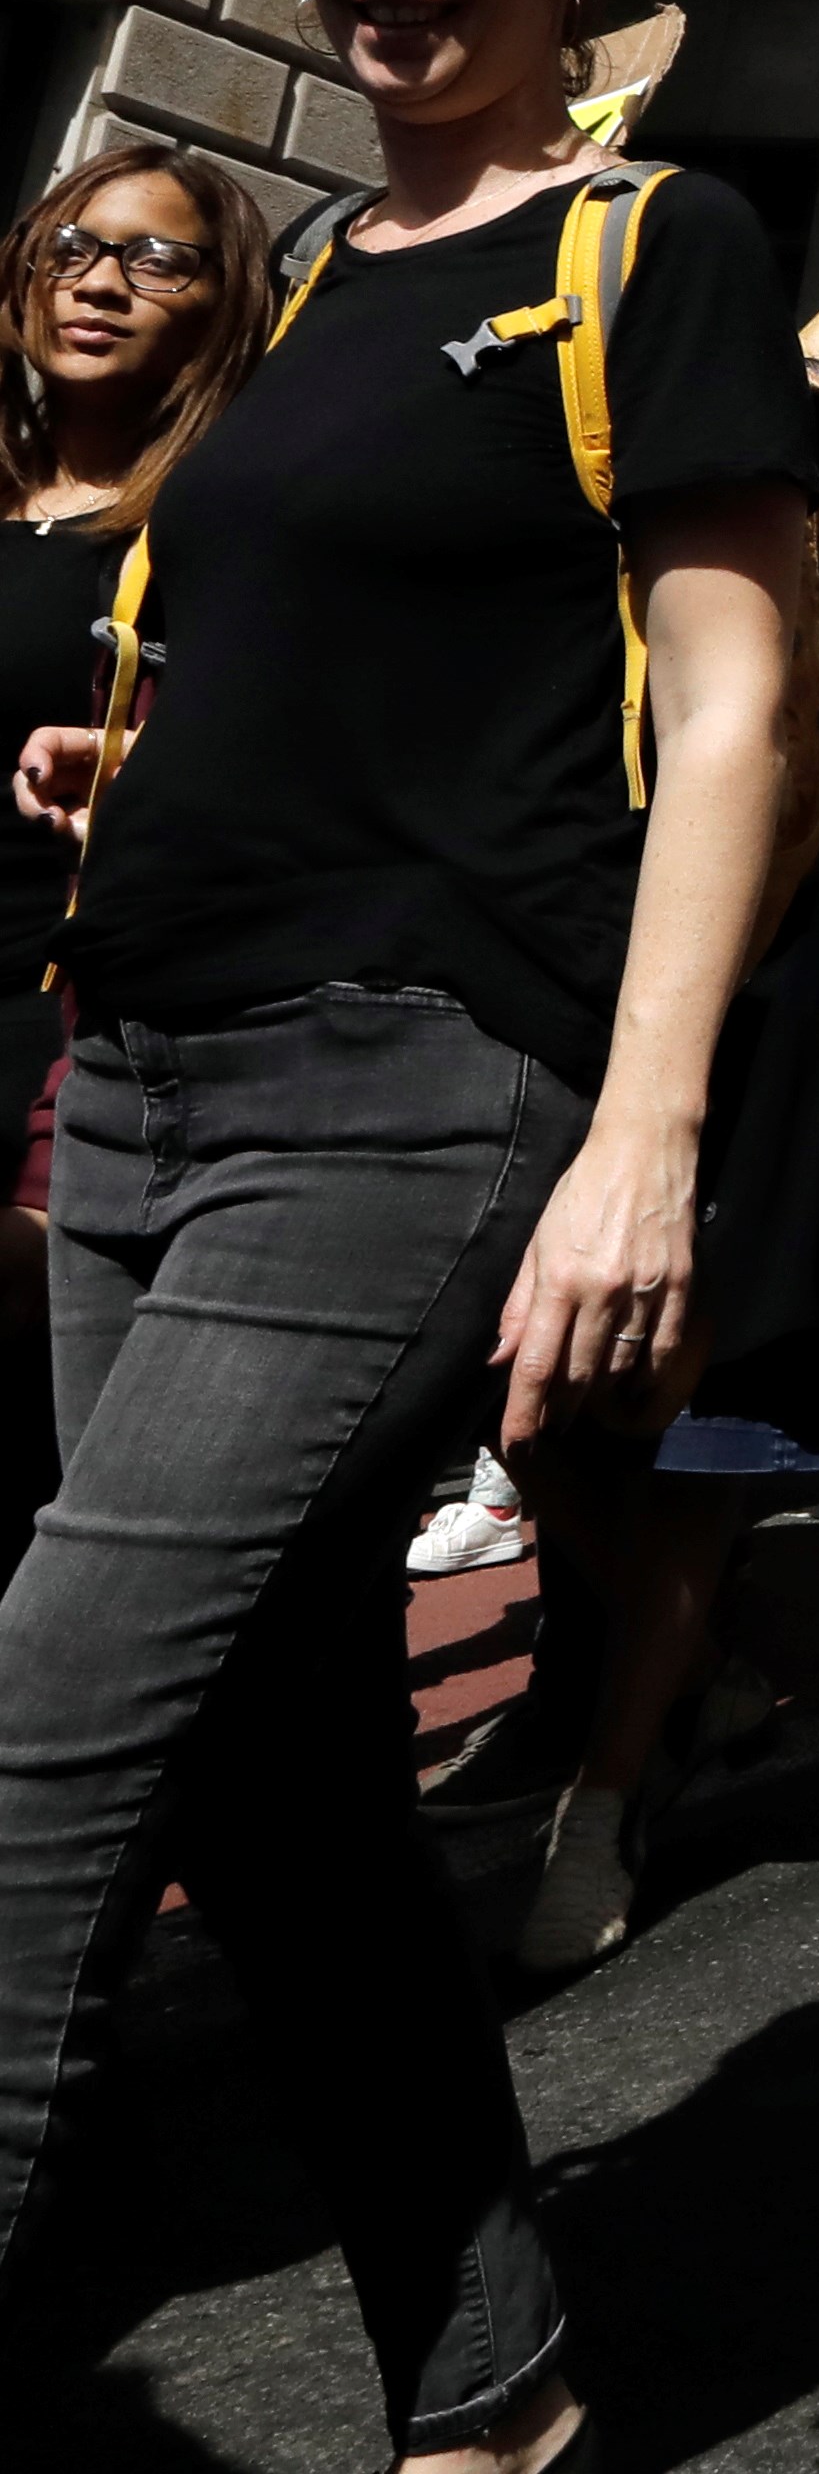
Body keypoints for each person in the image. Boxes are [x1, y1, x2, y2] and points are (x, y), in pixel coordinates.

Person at [0, 0, 815, 2470]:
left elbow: (740, 709)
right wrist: (143, 761)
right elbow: (325, 653)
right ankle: (501, 2388)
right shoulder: (324, 283)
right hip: (142, 1081)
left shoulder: (650, 245)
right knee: (284, 1774)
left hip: (404, 1087)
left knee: (48, 1721)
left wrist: (648, 1128)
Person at [513, 299, 819, 1968]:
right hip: (632, 1012)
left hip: (780, 1057)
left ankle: (611, 1785)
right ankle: (676, 1679)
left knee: (685, 1447)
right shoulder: (701, 542)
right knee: (521, 1400)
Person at [0, 141, 272, 1602]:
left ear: (222, 301)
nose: (100, 283)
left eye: (158, 259)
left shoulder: (207, 526)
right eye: (72, 247)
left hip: (62, 1026)